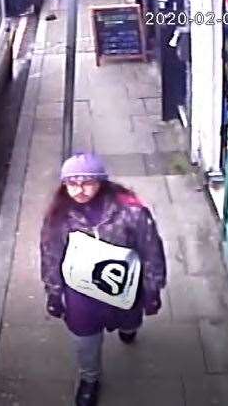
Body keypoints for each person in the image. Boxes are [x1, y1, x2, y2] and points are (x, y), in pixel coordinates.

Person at [40, 153, 167, 406]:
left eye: (87, 182)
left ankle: (128, 330)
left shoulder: (131, 211)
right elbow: (51, 255)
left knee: (129, 320)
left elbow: (151, 249)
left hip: (124, 286)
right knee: (85, 338)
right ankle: (90, 379)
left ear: (101, 182)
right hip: (82, 293)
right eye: (72, 184)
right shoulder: (59, 216)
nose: (79, 190)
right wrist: (54, 293)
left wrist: (153, 290)